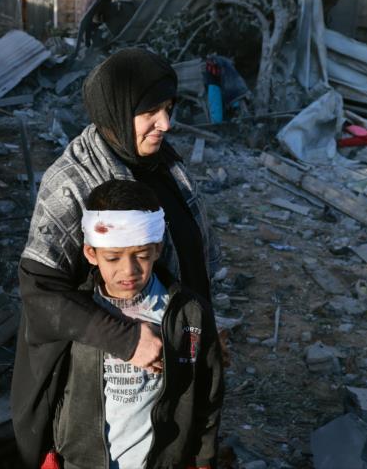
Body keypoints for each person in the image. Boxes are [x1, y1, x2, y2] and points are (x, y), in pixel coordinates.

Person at [11, 48, 222, 468]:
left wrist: (206, 330)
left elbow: (190, 253)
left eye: (168, 108)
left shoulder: (163, 164)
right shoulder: (72, 182)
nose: (166, 123)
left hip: (170, 366)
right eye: (151, 112)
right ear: (116, 110)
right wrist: (125, 339)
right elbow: (40, 295)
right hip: (95, 399)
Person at [46, 179, 223, 469]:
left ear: (157, 248)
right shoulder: (76, 312)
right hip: (83, 461)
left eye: (141, 255)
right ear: (91, 253)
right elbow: (51, 385)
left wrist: (204, 458)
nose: (128, 271)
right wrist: (52, 450)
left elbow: (208, 390)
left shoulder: (187, 314)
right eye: (113, 258)